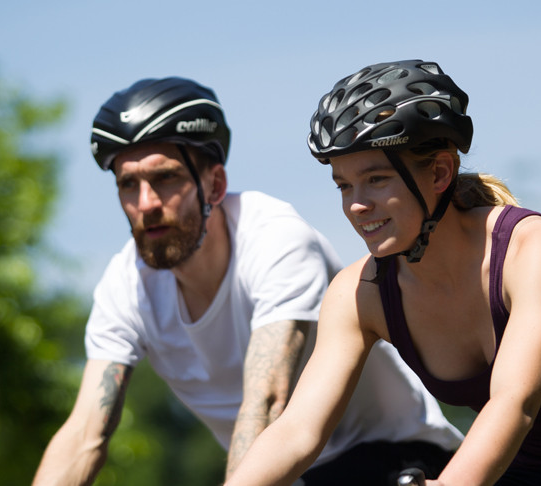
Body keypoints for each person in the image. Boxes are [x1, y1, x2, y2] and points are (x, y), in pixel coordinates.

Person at [225, 60, 541, 485]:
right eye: (342, 185)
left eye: (375, 179)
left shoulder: (534, 252)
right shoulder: (361, 294)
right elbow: (297, 432)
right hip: (531, 470)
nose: (356, 205)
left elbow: (513, 404)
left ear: (439, 173)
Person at [31, 76, 464, 485]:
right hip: (285, 474)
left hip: (396, 459)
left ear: (215, 184)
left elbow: (266, 404)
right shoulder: (125, 283)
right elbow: (84, 435)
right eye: (128, 185)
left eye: (165, 179)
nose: (145, 204)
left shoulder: (274, 240)